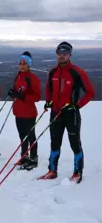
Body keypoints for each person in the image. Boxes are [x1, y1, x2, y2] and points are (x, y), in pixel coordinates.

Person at [39, 42, 95, 183]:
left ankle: (77, 173)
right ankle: (52, 171)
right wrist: (49, 101)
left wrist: (77, 105)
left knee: (74, 143)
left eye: (65, 53)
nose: (62, 56)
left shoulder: (77, 72)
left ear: (70, 54)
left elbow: (90, 92)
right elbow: (48, 89)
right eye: (59, 53)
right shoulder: (53, 72)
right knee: (54, 143)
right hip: (56, 113)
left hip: (71, 114)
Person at [7, 51, 41, 170]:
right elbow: (19, 92)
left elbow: (37, 97)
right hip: (18, 111)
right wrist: (14, 94)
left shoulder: (32, 78)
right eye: (20, 63)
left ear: (29, 64)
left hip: (29, 112)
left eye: (24, 63)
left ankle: (34, 158)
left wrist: (22, 96)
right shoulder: (18, 76)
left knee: (30, 136)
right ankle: (24, 156)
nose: (21, 66)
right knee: (22, 136)